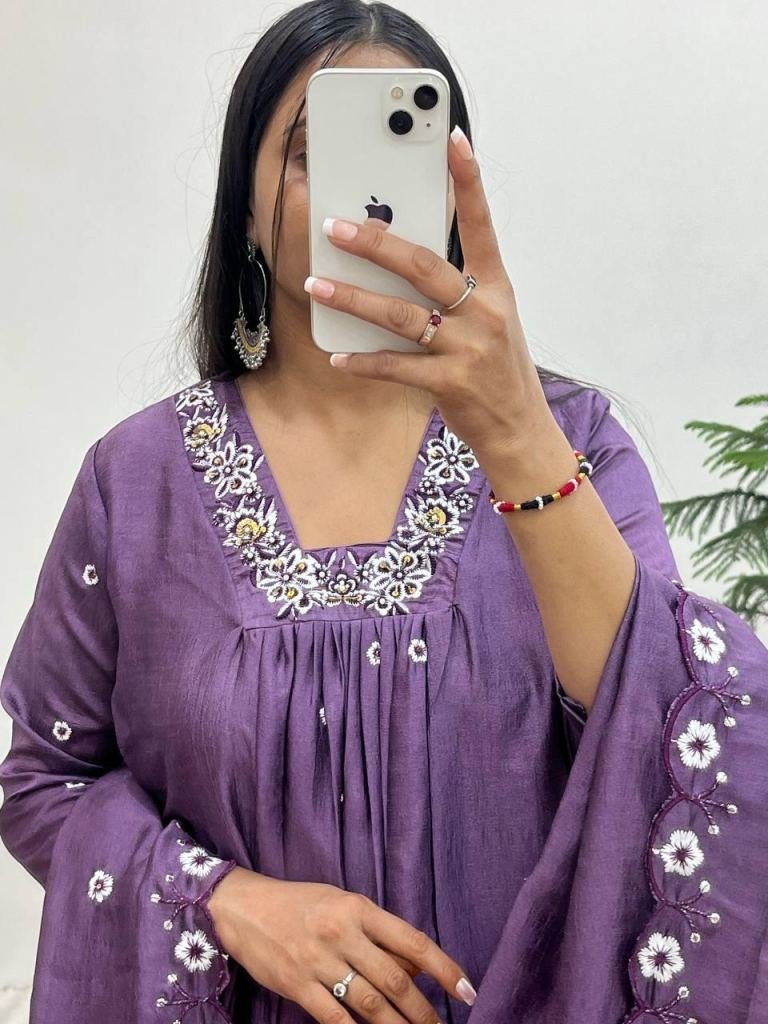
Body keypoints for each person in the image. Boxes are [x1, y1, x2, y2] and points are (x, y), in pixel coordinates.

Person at [2, 4, 768, 1023]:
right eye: (311, 154)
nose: (361, 196)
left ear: (451, 198)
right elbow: (45, 780)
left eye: (403, 151)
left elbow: (669, 736)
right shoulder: (135, 481)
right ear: (244, 211)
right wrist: (223, 900)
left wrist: (516, 432)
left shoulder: (570, 442)